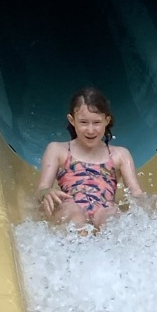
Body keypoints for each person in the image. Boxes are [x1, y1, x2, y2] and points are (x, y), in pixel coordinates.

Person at [36, 88, 143, 232]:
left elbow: (136, 194)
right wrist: (46, 193)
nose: (90, 130)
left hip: (104, 210)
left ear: (107, 120)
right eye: (84, 122)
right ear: (72, 120)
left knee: (110, 215)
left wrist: (151, 205)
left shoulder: (120, 155)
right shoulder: (57, 150)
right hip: (71, 209)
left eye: (97, 122)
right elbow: (41, 189)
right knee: (74, 212)